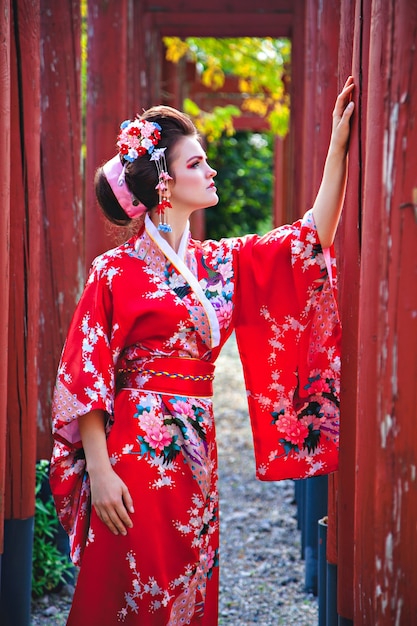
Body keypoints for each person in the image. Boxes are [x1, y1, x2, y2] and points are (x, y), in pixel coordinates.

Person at [50, 76, 355, 625]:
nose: (210, 170)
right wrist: (98, 467)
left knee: (188, 582)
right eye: (196, 164)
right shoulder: (114, 272)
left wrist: (338, 148)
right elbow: (85, 372)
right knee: (132, 587)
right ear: (163, 182)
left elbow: (311, 237)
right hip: (135, 454)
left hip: (196, 448)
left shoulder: (220, 264)